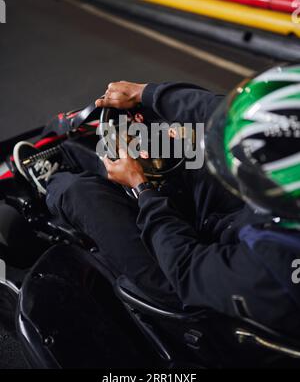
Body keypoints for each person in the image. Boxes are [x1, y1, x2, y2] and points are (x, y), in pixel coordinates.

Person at [13, 65, 300, 336]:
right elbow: (222, 114)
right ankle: (101, 161)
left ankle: (52, 184)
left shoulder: (277, 269)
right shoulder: (287, 199)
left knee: (80, 193)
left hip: (196, 289)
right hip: (237, 228)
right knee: (180, 143)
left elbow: (185, 265)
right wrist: (147, 93)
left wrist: (143, 188)